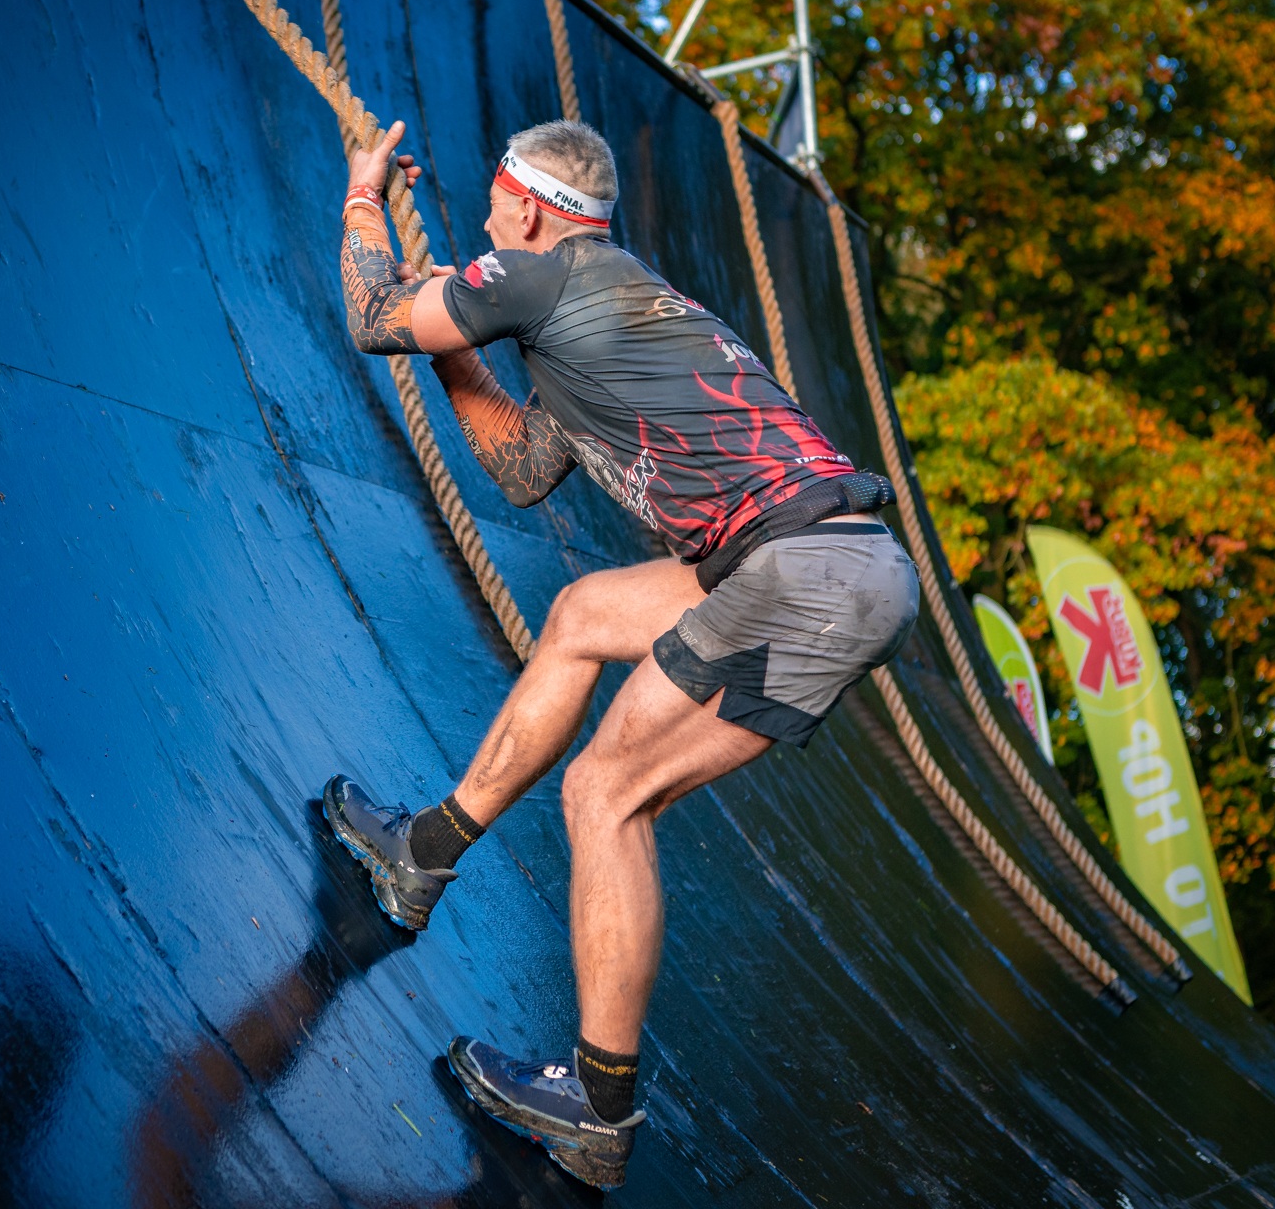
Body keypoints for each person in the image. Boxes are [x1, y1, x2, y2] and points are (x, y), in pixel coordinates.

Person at [323, 118, 919, 1189]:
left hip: (801, 566)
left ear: (535, 212)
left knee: (606, 791)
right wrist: (460, 341)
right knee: (588, 611)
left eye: (498, 205)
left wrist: (365, 199)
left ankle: (596, 1105)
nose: (486, 222)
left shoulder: (537, 273)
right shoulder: (618, 302)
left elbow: (373, 317)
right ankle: (425, 851)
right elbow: (525, 468)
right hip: (815, 553)